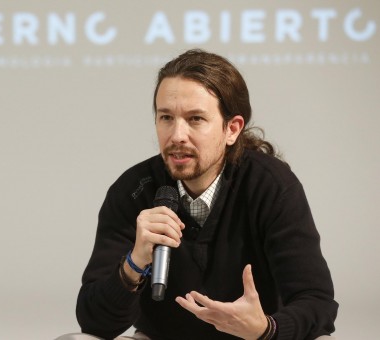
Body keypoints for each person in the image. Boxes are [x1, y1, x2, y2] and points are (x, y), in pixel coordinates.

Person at [72, 49, 338, 339]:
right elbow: (94, 323)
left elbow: (317, 304)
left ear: (232, 129)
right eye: (166, 118)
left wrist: (266, 329)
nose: (176, 135)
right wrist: (133, 264)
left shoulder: (271, 186)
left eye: (195, 119)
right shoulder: (134, 190)